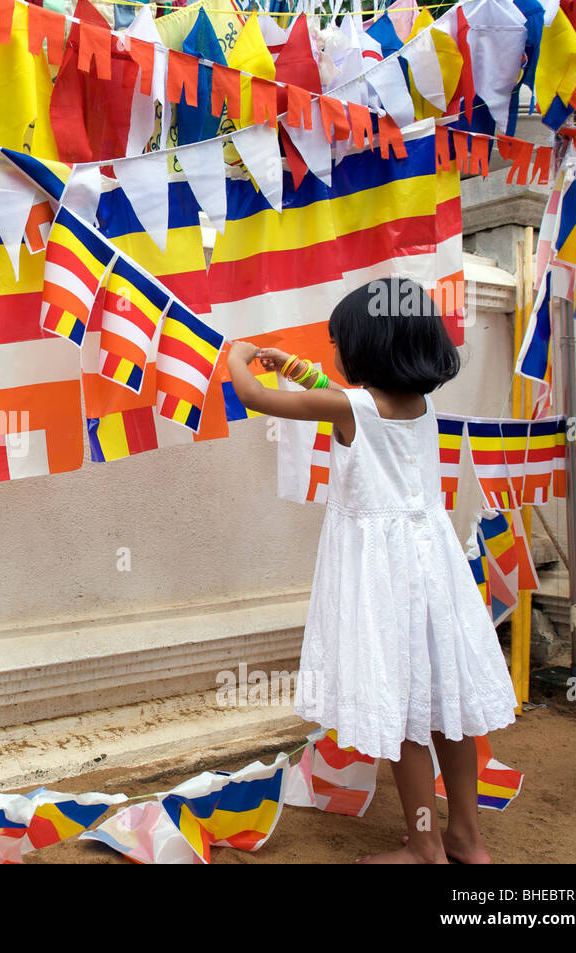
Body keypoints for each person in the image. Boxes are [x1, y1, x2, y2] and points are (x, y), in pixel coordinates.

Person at [224, 277, 518, 864]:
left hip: (383, 582)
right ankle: (465, 836)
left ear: (368, 350)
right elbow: (344, 403)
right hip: (434, 576)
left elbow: (257, 399)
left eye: (341, 342)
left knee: (403, 714)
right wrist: (302, 370)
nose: (336, 353)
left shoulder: (353, 408)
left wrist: (235, 356)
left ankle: (426, 846)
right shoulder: (422, 406)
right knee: (446, 712)